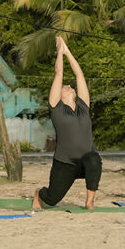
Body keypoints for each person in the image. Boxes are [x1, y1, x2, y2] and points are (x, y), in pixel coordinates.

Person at [33, 36, 101, 210]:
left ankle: (89, 201)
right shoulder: (57, 109)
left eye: (70, 87)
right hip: (65, 163)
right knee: (52, 199)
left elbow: (79, 74)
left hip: (85, 162)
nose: (69, 85)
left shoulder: (83, 106)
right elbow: (59, 74)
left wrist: (67, 51)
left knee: (94, 159)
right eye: (64, 87)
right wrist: (59, 52)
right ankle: (39, 193)